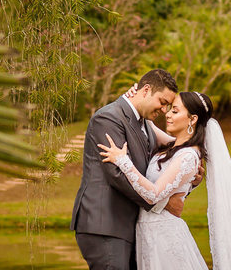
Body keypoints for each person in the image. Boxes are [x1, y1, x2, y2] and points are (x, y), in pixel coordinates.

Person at [98, 91, 231, 270]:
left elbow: (153, 194)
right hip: (149, 234)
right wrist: (135, 95)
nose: (167, 114)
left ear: (192, 119)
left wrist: (122, 161)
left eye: (175, 111)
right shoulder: (174, 146)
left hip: (165, 237)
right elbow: (144, 121)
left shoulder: (188, 156)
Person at [71, 69, 184, 270]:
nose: (164, 110)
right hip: (106, 224)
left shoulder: (146, 124)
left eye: (168, 105)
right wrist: (161, 202)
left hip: (128, 226)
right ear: (146, 90)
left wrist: (191, 174)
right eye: (162, 102)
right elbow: (117, 174)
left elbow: (163, 162)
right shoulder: (108, 118)